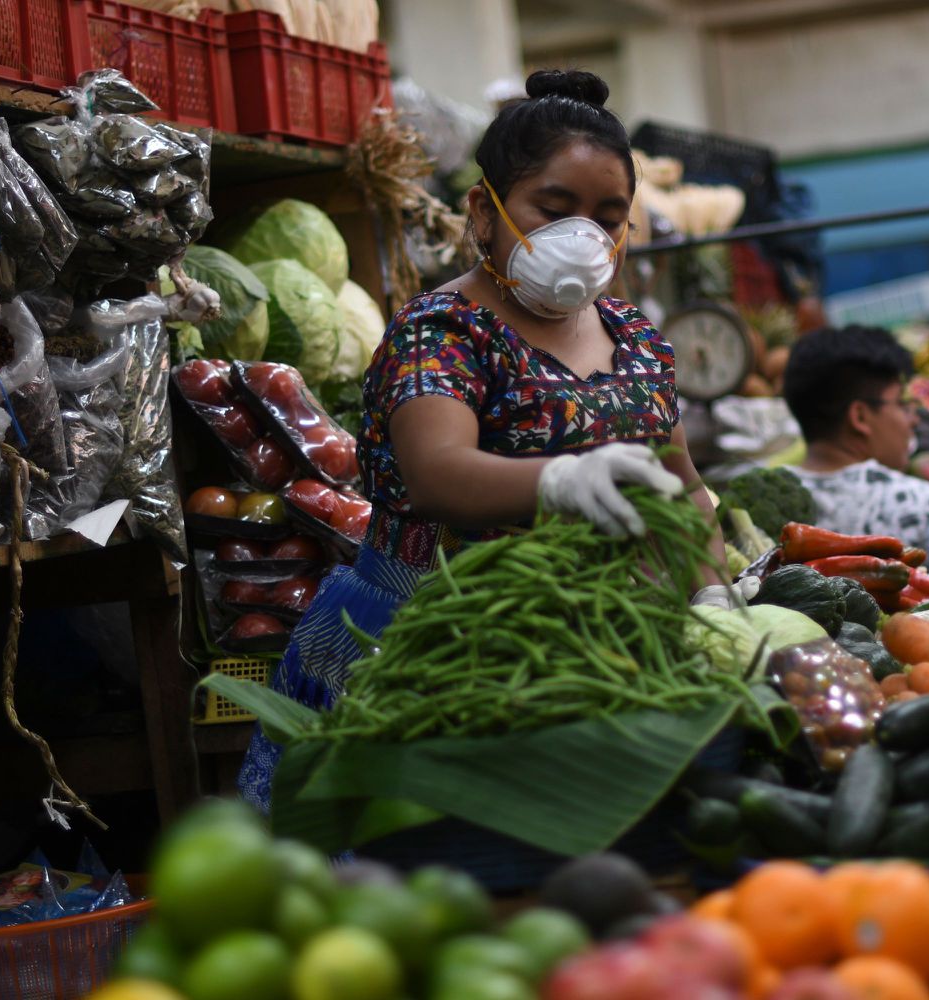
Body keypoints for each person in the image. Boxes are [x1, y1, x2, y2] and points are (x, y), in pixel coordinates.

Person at [239, 69, 729, 809]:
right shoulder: (442, 331)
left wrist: (712, 593)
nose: (584, 238)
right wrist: (560, 482)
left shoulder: (633, 336)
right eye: (554, 209)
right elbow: (438, 473)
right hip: (428, 653)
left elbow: (685, 485)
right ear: (482, 210)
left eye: (608, 216)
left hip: (597, 655)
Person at [779, 325, 929, 573]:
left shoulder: (760, 512)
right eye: (902, 403)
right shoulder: (925, 506)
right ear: (859, 417)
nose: (913, 419)